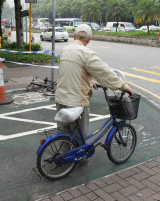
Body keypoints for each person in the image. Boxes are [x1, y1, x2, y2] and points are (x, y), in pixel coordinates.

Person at [55, 24, 133, 157]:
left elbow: (76, 71)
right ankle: (79, 158)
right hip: (76, 101)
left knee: (64, 131)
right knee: (79, 134)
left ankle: (62, 156)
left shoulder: (66, 49)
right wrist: (123, 86)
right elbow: (104, 72)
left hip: (61, 97)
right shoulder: (86, 53)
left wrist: (91, 81)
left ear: (74, 36)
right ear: (89, 39)